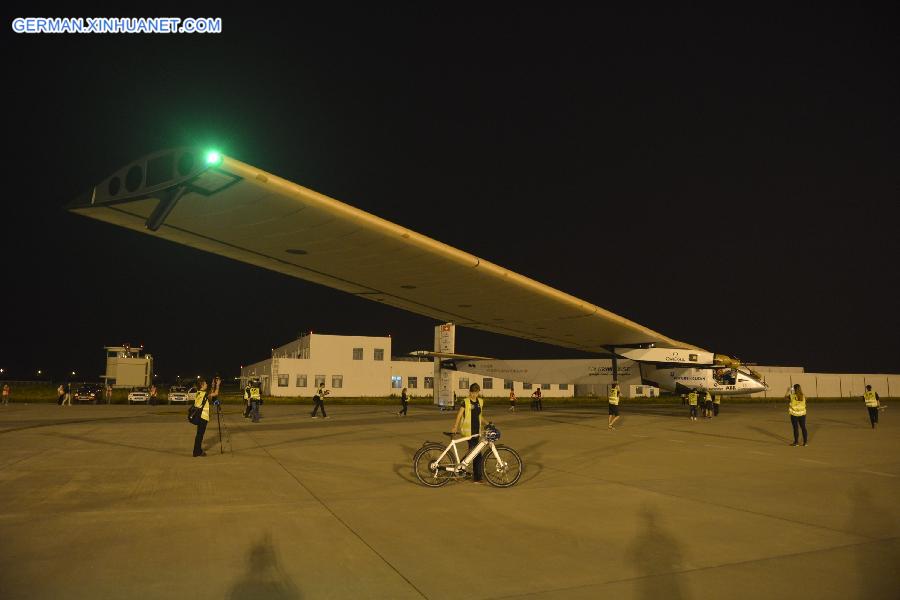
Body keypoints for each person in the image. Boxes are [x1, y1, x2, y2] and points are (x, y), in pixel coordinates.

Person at [451, 383, 485, 484]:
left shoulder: (480, 402)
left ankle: (458, 470)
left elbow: (480, 416)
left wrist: (488, 423)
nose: (474, 395)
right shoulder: (465, 402)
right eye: (473, 392)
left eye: (476, 393)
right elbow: (459, 415)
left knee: (472, 453)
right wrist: (455, 426)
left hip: (476, 431)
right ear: (469, 392)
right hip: (468, 432)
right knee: (476, 454)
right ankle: (477, 478)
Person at [192, 379, 210, 457]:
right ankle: (197, 451)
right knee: (200, 435)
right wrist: (218, 385)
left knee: (199, 434)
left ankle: (196, 450)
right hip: (203, 417)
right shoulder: (204, 394)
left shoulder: (198, 393)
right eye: (205, 384)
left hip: (199, 416)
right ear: (202, 385)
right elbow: (215, 394)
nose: (207, 385)